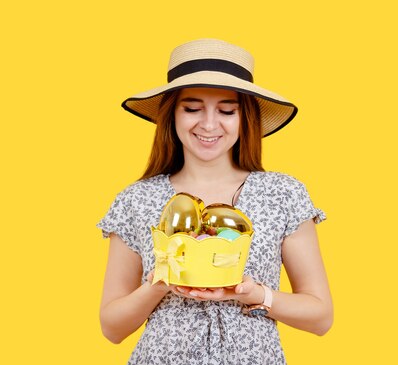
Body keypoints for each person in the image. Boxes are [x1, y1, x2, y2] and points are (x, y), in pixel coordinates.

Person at [97, 38, 333, 364]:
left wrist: (254, 294)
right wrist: (160, 283)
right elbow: (112, 327)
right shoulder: (136, 199)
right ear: (172, 115)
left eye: (226, 110)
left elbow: (321, 316)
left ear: (244, 117)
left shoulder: (283, 194)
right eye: (192, 108)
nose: (209, 124)